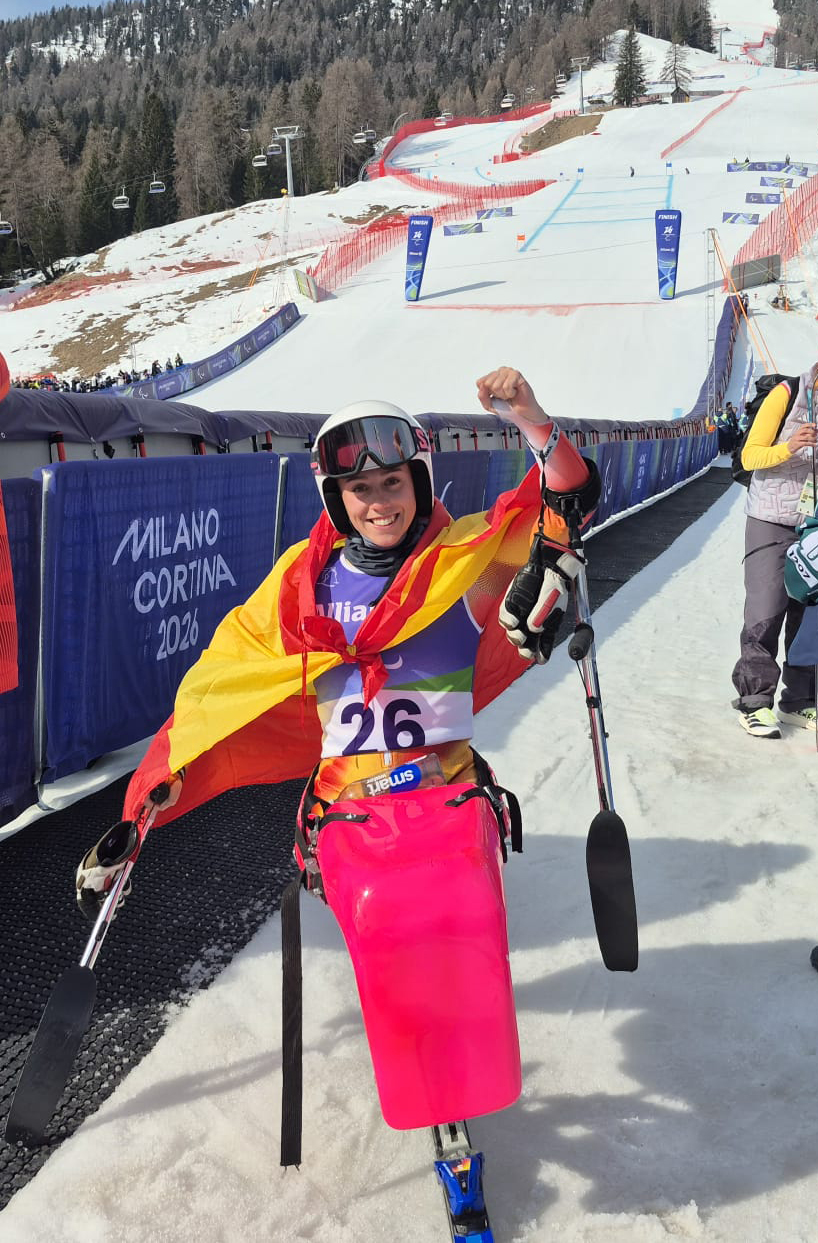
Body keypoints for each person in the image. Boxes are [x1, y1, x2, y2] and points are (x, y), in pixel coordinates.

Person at [75, 368, 600, 914]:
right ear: (335, 496)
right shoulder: (302, 580)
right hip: (344, 818)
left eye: (393, 482)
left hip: (450, 801)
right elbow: (227, 680)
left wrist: (531, 419)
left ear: (419, 481)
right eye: (360, 489)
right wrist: (165, 783)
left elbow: (570, 501)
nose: (379, 504)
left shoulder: (466, 561)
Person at [731, 363, 818, 737]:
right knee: (766, 609)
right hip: (770, 517)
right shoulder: (787, 394)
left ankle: (801, 701)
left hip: (811, 522)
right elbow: (750, 457)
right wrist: (791, 445)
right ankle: (755, 702)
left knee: (808, 616)